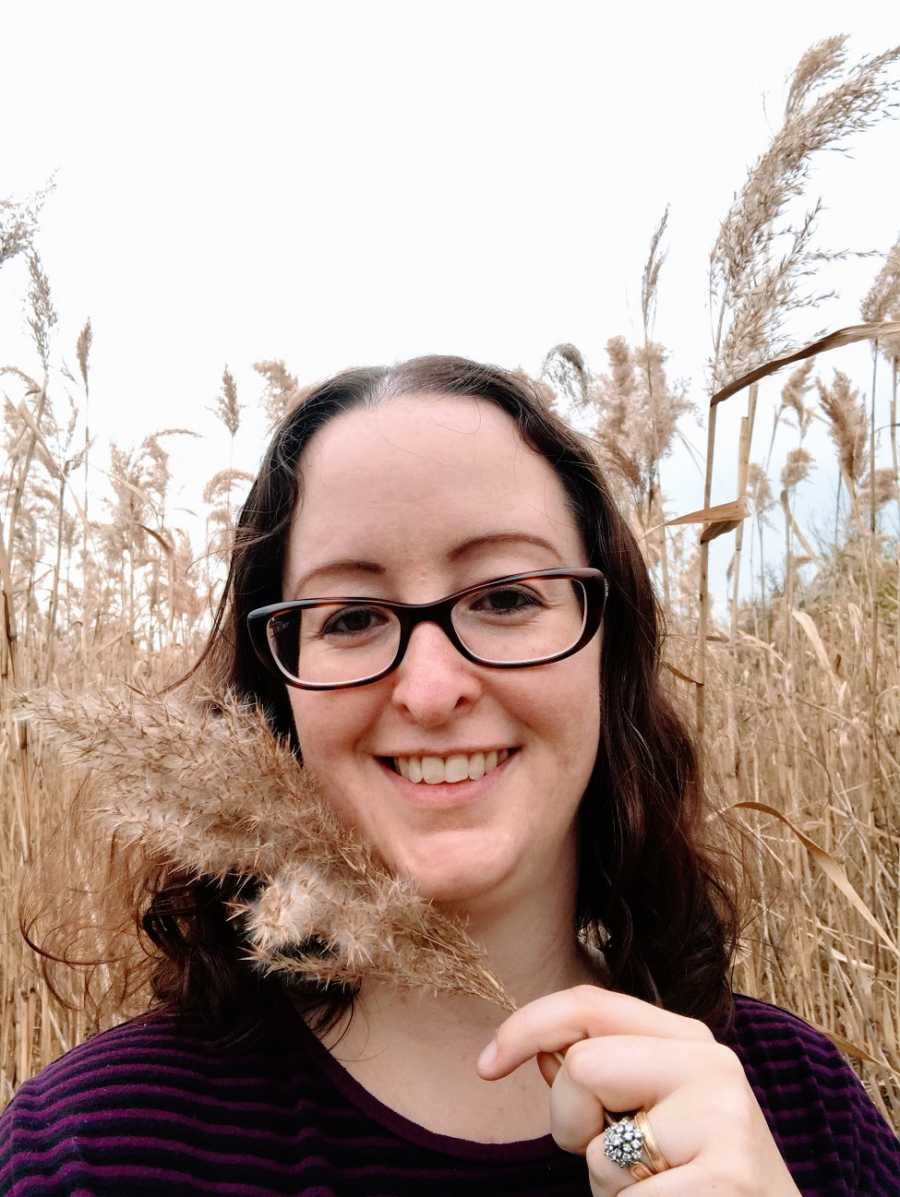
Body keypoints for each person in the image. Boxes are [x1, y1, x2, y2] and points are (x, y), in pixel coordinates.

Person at [1, 355, 898, 1196]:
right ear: (277, 696)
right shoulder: (90, 1150)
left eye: (507, 596)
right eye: (350, 615)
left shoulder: (797, 1107)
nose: (430, 691)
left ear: (606, 653)